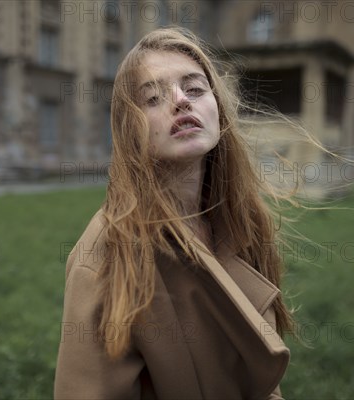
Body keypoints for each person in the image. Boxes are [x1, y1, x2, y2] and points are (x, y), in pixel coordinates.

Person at [54, 27, 294, 399]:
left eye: (195, 89)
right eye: (153, 98)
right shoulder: (106, 254)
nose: (181, 101)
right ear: (128, 128)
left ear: (218, 107)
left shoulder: (239, 223)